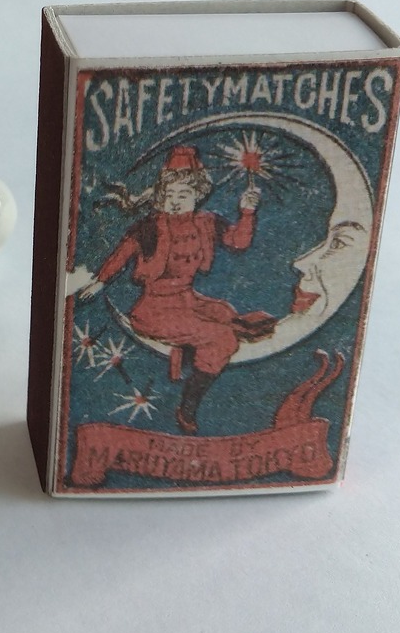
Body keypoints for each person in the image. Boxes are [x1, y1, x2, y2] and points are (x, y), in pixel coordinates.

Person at [79, 146, 275, 434]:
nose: (174, 202)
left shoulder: (207, 223)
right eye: (169, 195)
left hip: (187, 300)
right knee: (222, 338)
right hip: (154, 308)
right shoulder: (150, 226)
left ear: (197, 195)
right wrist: (99, 281)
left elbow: (238, 242)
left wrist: (247, 211)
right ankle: (188, 406)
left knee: (225, 313)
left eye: (182, 195)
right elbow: (123, 252)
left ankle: (191, 349)